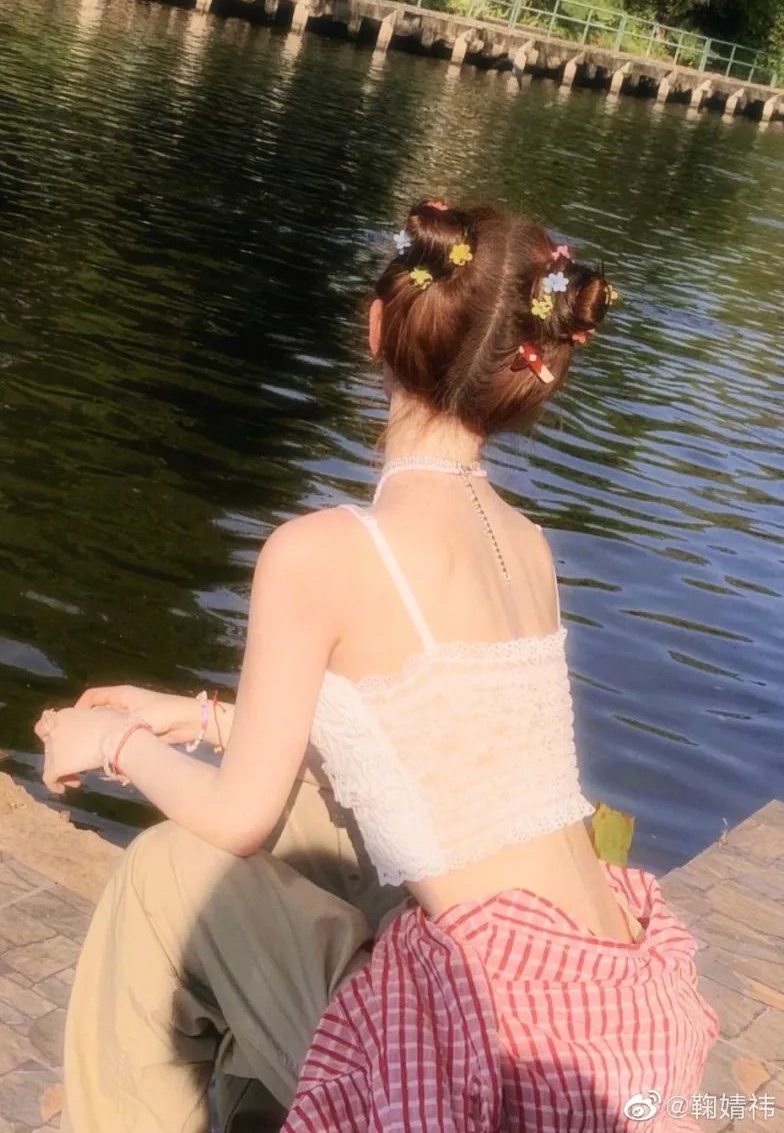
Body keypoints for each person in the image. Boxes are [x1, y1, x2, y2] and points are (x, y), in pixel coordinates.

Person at [37, 199, 718, 1133]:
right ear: (532, 371)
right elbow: (442, 750)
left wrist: (111, 742)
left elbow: (238, 816)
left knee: (167, 874)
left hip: (498, 1064)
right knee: (320, 821)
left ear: (374, 329)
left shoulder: (321, 552)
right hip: (616, 1014)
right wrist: (198, 719)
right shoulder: (526, 545)